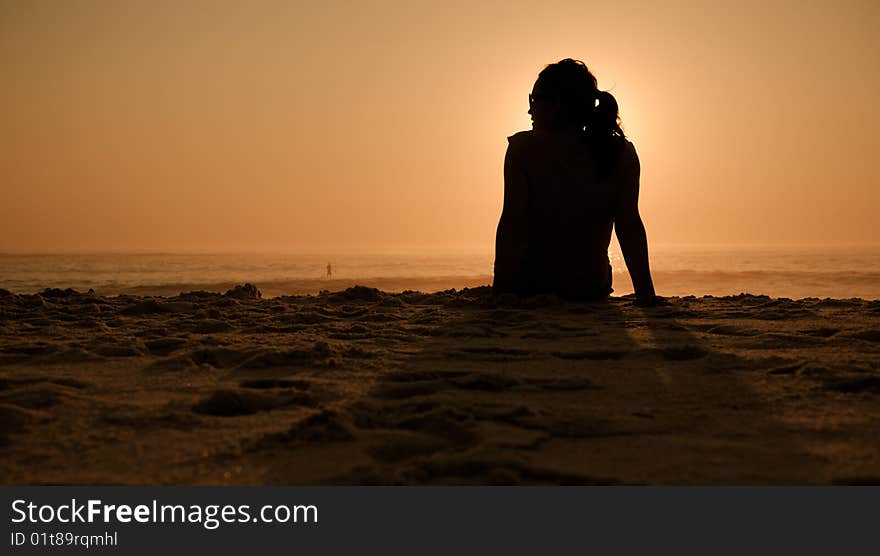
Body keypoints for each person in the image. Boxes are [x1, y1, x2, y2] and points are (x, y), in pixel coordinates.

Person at [493, 58, 657, 305]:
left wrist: (501, 290)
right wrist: (646, 294)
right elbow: (629, 225)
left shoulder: (522, 150)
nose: (530, 110)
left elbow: (512, 223)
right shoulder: (621, 153)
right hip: (590, 287)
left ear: (556, 104)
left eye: (534, 100)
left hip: (531, 286)